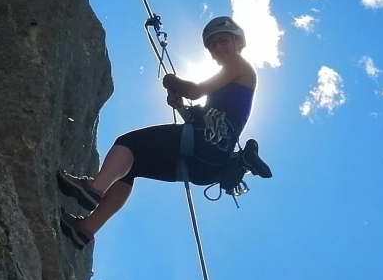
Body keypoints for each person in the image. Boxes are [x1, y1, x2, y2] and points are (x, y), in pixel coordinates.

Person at [57, 16, 257, 248]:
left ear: (238, 42)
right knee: (132, 167)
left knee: (128, 143)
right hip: (209, 165)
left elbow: (194, 91)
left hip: (205, 144)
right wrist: (180, 106)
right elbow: (203, 116)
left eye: (224, 41)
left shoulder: (239, 65)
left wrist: (172, 81)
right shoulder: (229, 82)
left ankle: (93, 189)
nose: (219, 47)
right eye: (213, 44)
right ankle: (84, 230)